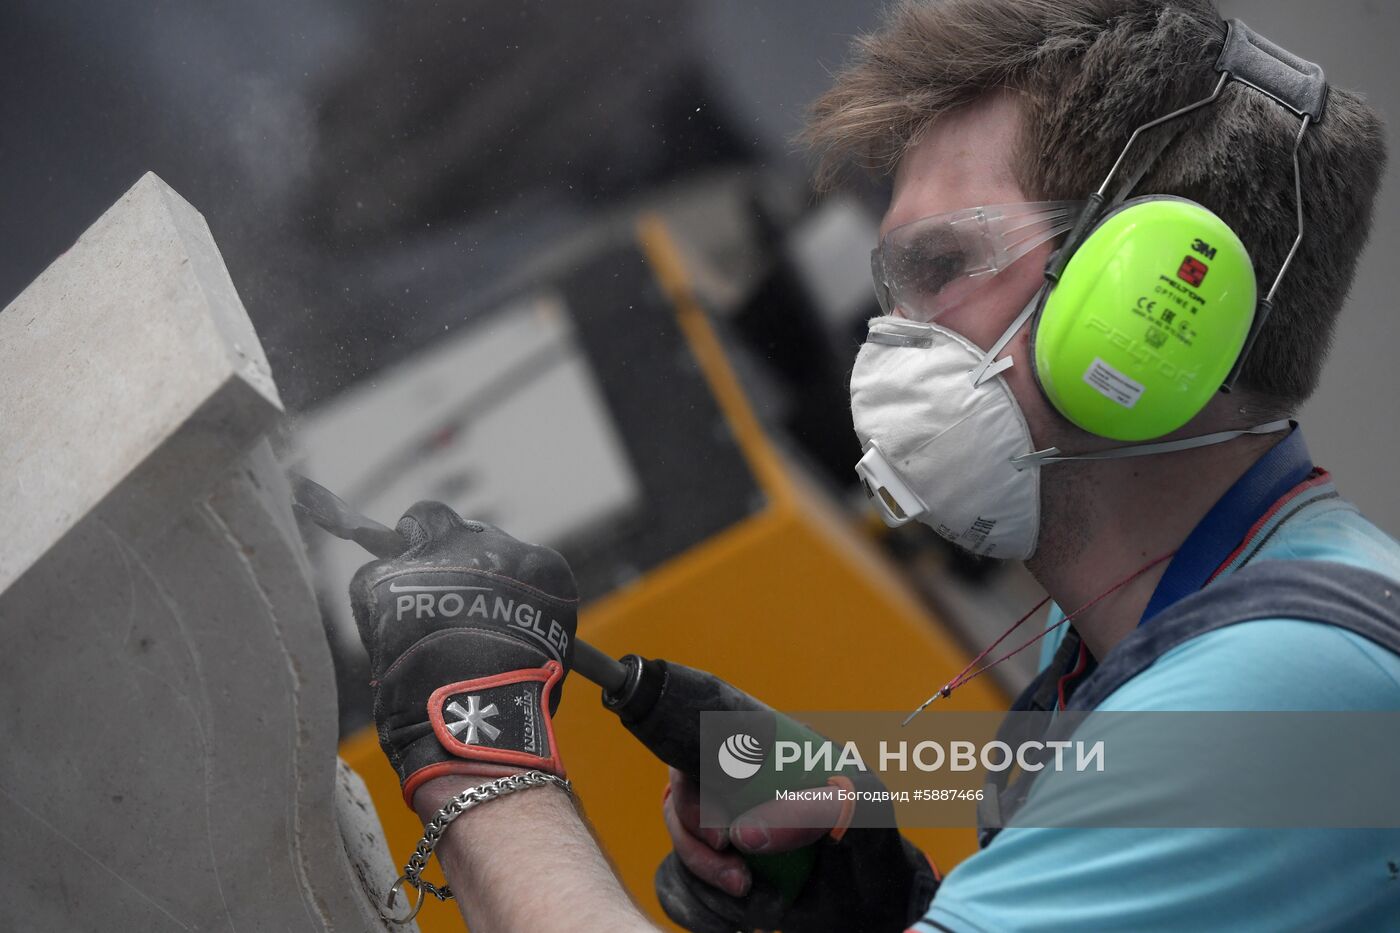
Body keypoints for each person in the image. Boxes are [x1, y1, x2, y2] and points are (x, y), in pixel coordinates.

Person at [348, 2, 1397, 930]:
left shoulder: (1282, 703)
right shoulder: (1139, 655)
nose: (888, 340)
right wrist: (885, 909)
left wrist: (479, 760)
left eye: (939, 269)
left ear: (1146, 313)